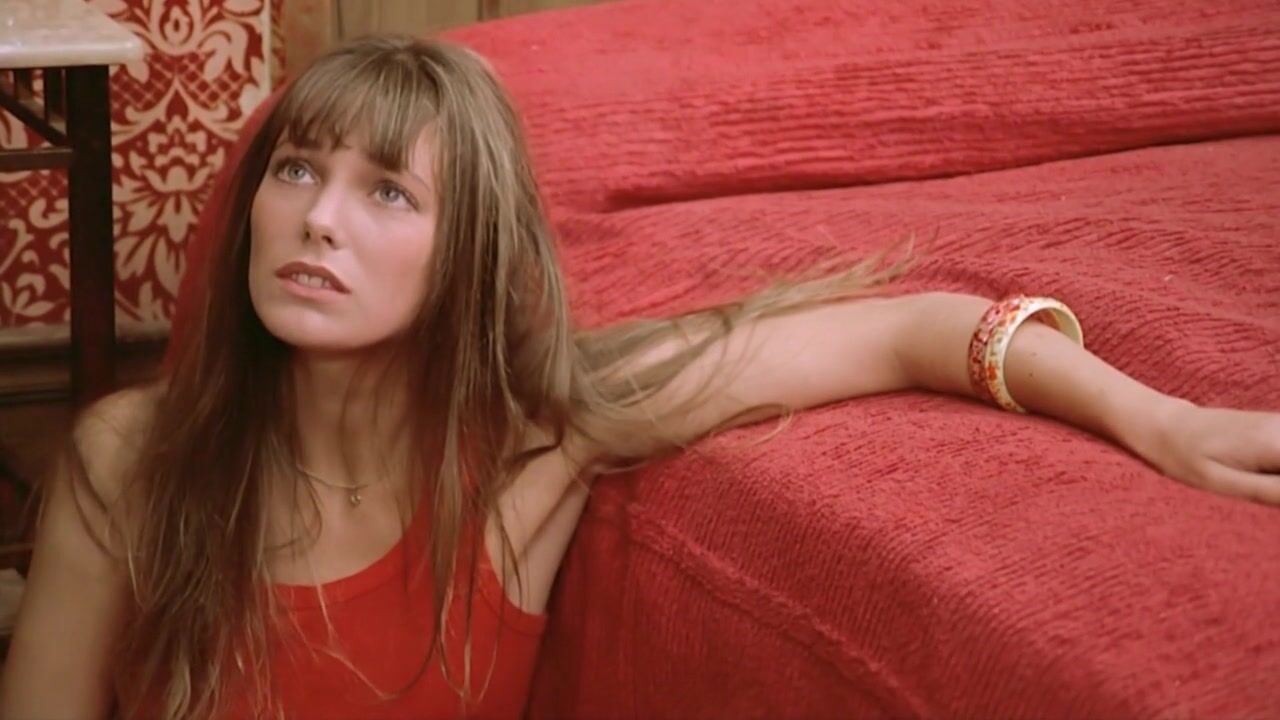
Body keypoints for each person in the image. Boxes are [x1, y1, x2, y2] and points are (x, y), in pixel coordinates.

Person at [1, 34, 1277, 720]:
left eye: (387, 190)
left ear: (470, 254)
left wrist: (1160, 419)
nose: (319, 220)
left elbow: (904, 330)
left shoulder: (538, 446)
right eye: (296, 170)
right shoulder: (132, 456)